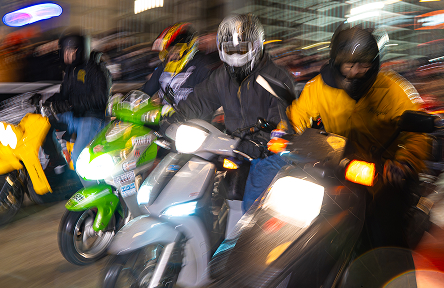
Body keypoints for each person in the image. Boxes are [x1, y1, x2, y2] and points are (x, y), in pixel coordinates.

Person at [287, 23, 430, 249]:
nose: (355, 72)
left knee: (385, 241)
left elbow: (417, 133)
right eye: (349, 65)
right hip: (335, 171)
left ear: (373, 64)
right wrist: (285, 135)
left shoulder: (392, 89)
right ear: (336, 62)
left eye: (363, 65)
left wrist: (405, 162)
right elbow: (297, 116)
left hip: (381, 178)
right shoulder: (317, 88)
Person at [161, 13, 295, 209]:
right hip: (234, 147)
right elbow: (200, 100)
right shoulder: (221, 77)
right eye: (229, 49)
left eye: (241, 48)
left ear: (256, 46)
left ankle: (247, 236)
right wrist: (176, 117)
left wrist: (264, 139)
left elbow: (283, 119)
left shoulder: (276, 78)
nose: (235, 55)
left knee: (252, 204)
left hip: (268, 153)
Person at [42, 28, 112, 168]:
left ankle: (91, 186)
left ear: (79, 50)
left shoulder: (94, 70)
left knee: (79, 156)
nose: (66, 55)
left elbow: (99, 99)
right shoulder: (70, 71)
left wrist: (70, 104)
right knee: (43, 125)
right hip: (75, 116)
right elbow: (64, 95)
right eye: (64, 51)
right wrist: (46, 101)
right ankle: (57, 162)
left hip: (92, 118)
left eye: (70, 51)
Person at [142, 23, 213, 106]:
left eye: (175, 51)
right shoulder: (163, 67)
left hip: (189, 117)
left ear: (187, 48)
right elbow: (146, 92)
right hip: (163, 117)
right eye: (168, 52)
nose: (170, 56)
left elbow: (206, 101)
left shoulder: (201, 66)